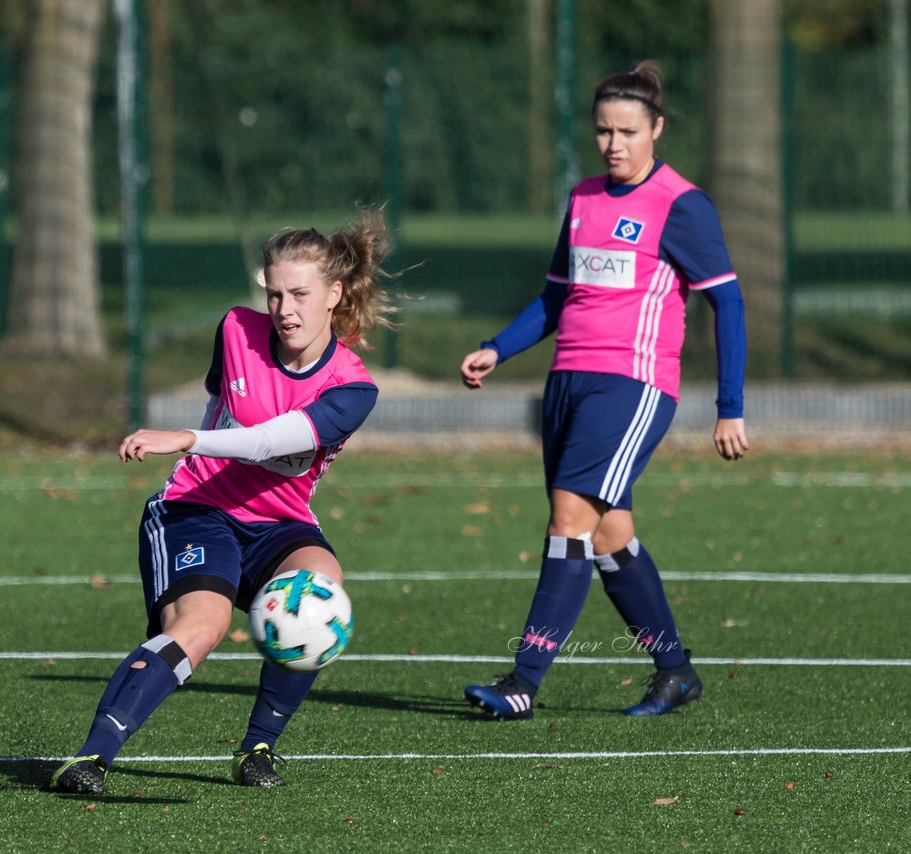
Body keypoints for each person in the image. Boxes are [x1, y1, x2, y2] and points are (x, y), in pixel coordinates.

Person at [51, 207, 395, 796]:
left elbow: (271, 439)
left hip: (280, 523)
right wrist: (198, 449)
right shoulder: (236, 328)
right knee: (202, 627)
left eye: (300, 294)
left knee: (318, 592)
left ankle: (257, 747)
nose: (284, 309)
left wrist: (187, 437)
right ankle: (89, 759)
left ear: (334, 294)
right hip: (196, 508)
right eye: (274, 293)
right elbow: (223, 395)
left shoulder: (353, 388)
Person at [458, 60, 748, 721]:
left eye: (626, 131)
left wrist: (729, 407)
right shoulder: (585, 198)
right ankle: (675, 672)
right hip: (568, 382)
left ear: (657, 130)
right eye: (602, 131)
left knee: (568, 522)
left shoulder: (682, 205)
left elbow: (727, 306)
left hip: (632, 385)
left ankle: (523, 679)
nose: (613, 144)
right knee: (609, 536)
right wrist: (499, 347)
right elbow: (557, 296)